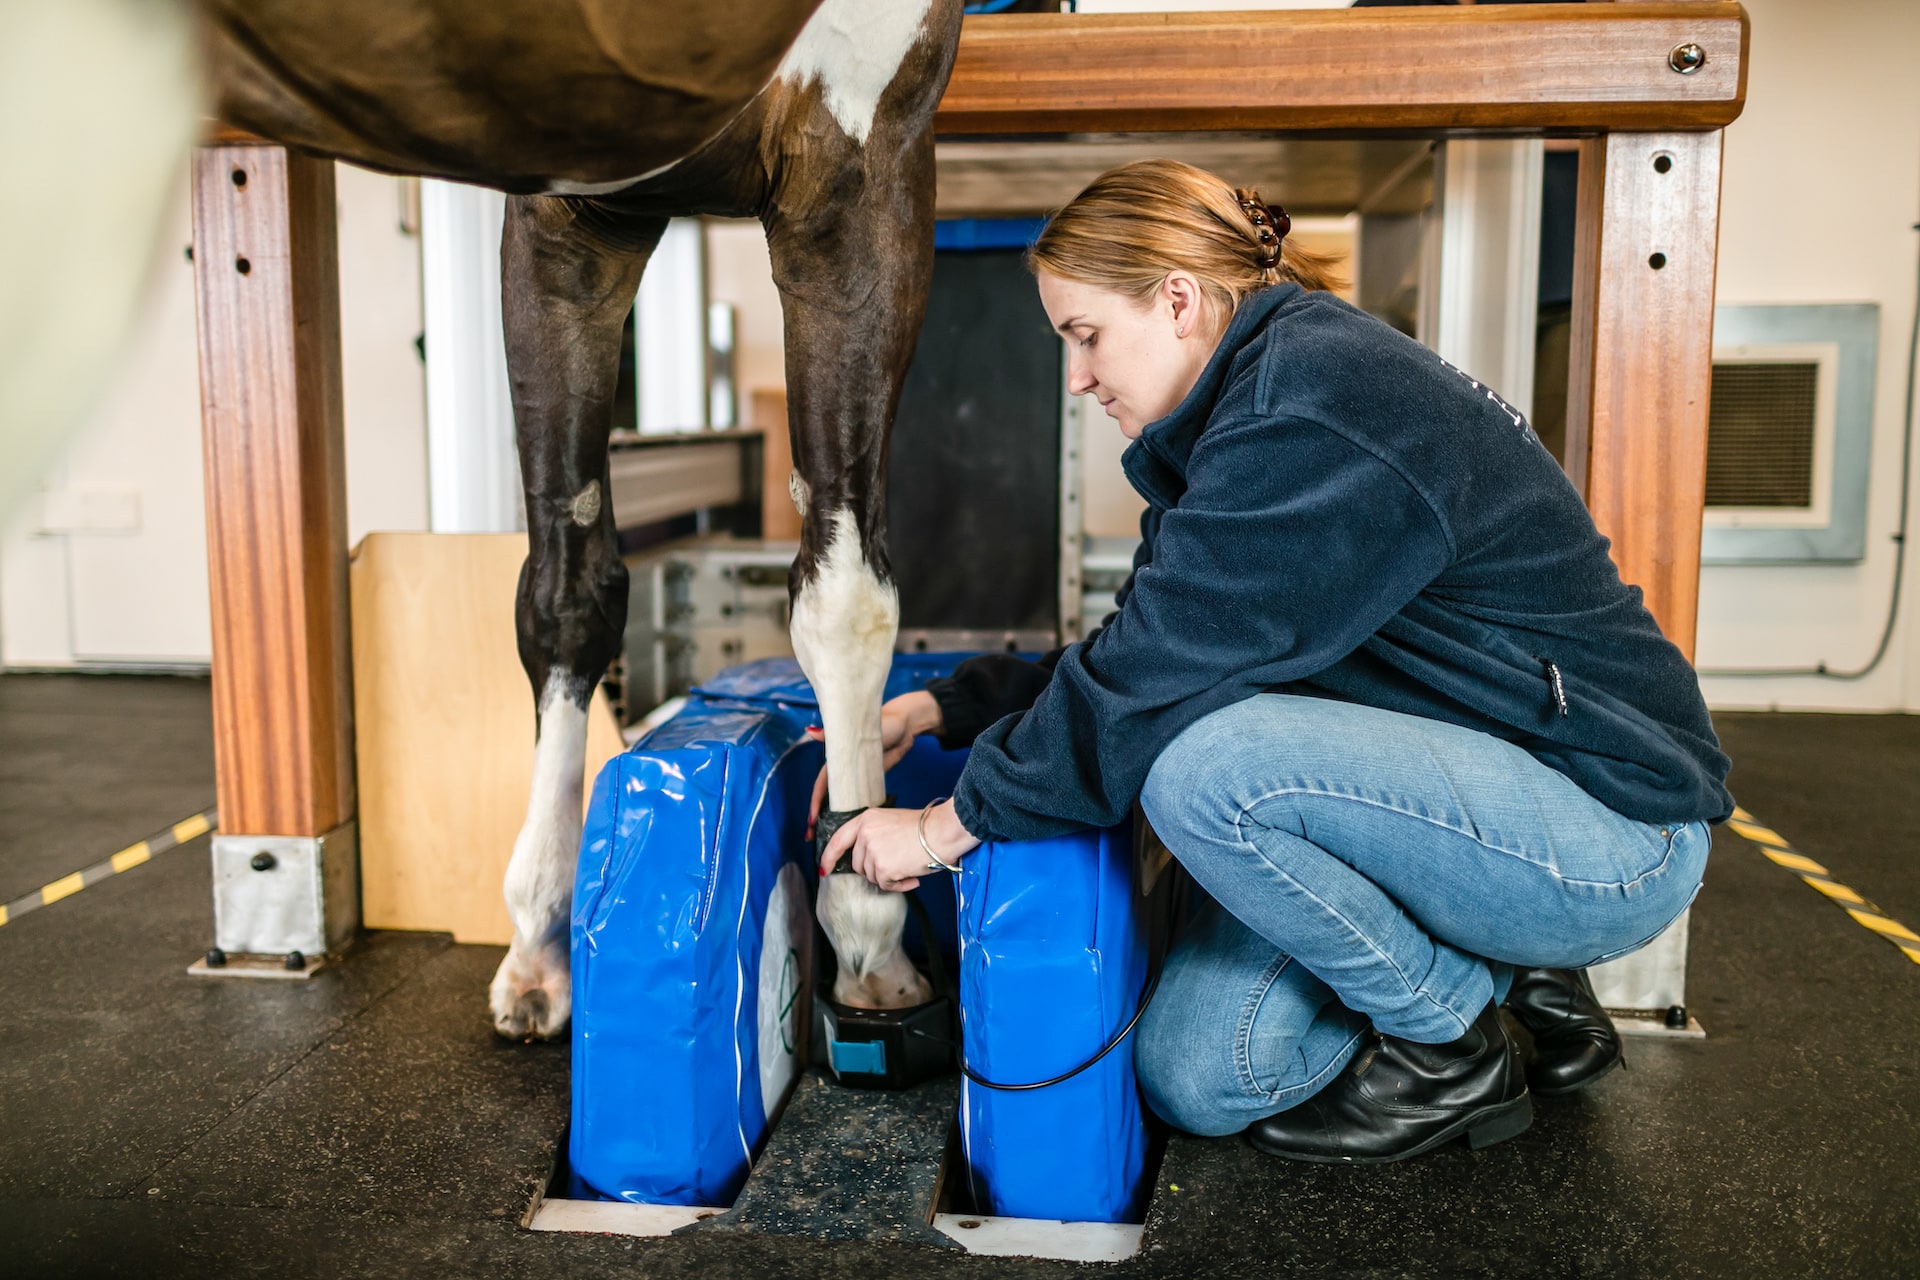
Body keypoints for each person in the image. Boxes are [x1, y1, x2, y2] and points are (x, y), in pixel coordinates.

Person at [815, 158, 1731, 1163]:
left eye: (1084, 337)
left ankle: (1453, 1042)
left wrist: (944, 829)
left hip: (1607, 822)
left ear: (1176, 300)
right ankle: (1509, 962)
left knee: (1201, 770)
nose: (1076, 377)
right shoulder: (1231, 422)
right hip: (1478, 791)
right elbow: (1149, 646)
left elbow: (1154, 682)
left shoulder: (1311, 405)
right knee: (1200, 1075)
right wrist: (945, 708)